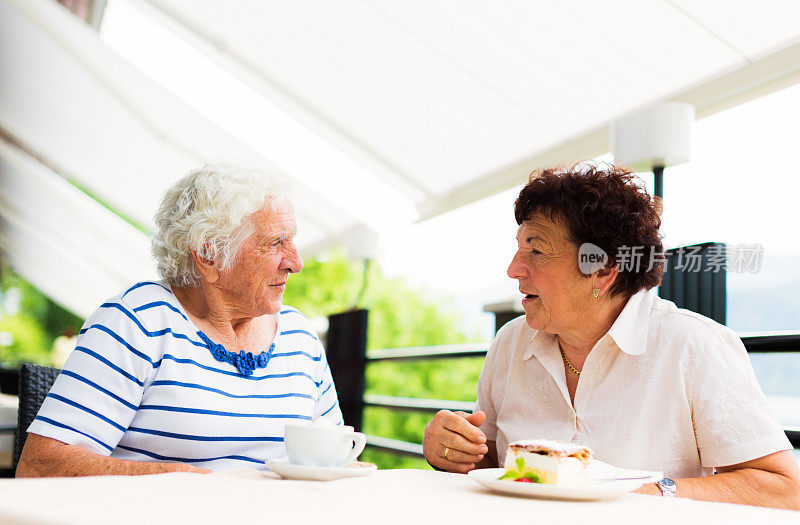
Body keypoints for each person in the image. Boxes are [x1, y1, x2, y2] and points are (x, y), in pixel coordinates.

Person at [422, 163, 800, 509]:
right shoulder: (509, 343)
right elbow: (490, 463)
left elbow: (782, 489)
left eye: (535, 250)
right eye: (518, 248)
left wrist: (639, 492)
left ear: (602, 270)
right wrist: (451, 450)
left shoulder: (693, 345)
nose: (513, 269)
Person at [17, 164, 343, 476]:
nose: (296, 263)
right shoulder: (137, 322)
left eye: (292, 239)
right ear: (208, 254)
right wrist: (182, 482)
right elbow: (40, 467)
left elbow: (340, 458)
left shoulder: (301, 337)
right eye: (275, 243)